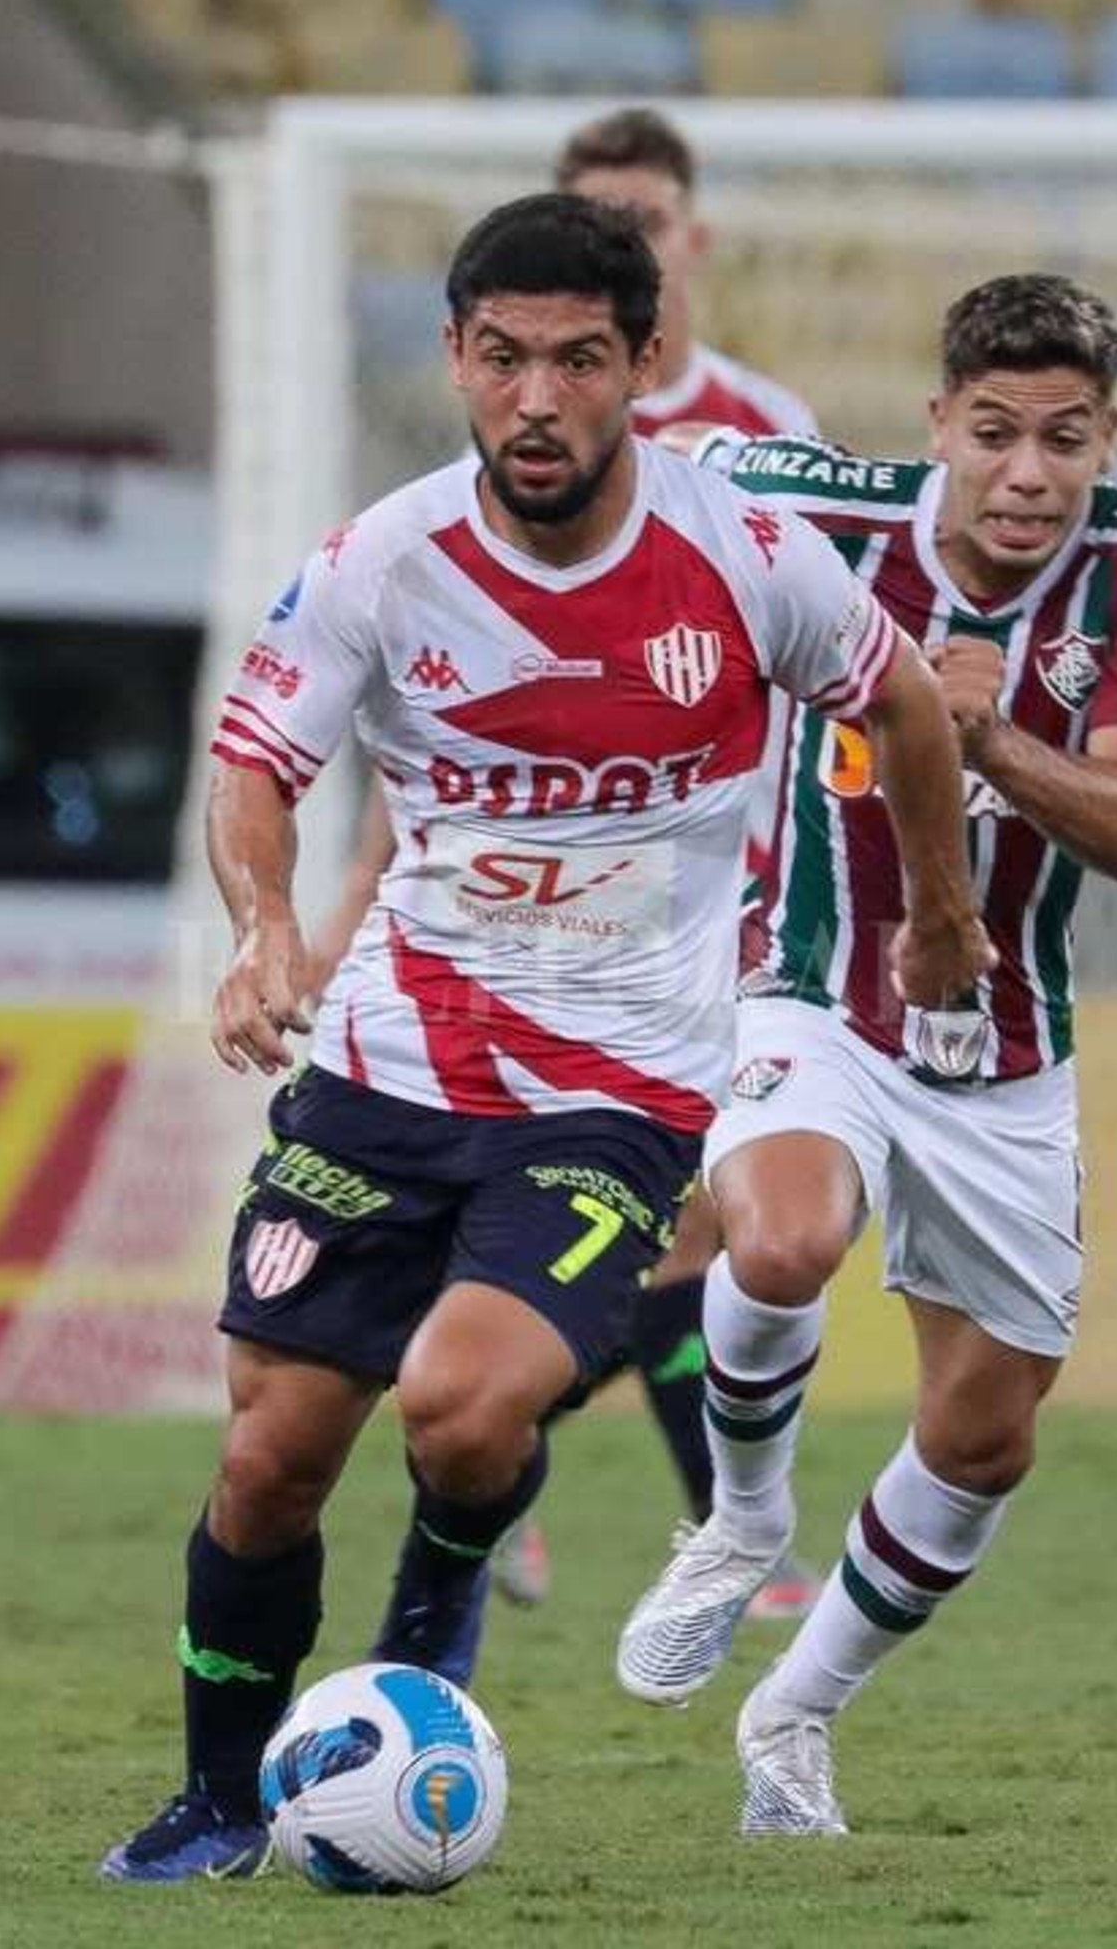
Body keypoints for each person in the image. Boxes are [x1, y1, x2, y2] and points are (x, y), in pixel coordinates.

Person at [99, 190, 991, 1882]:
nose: (534, 398)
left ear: (643, 365)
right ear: (452, 356)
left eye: (578, 360)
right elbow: (256, 767)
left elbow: (898, 703)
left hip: (616, 1091)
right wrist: (266, 930)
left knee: (457, 1406)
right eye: (501, 357)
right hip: (384, 1067)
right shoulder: (381, 561)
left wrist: (935, 913)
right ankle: (217, 1798)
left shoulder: (744, 554)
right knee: (270, 1456)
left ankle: (436, 1596)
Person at [615, 273, 1117, 1838]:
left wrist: (988, 735)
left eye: (1062, 439)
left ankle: (794, 1712)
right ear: (937, 423)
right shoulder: (809, 511)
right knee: (782, 1237)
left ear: (1106, 439)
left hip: (1006, 1043)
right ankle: (741, 1521)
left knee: (983, 1435)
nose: (1026, 473)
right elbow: (636, 475)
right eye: (994, 432)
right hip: (811, 983)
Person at [350, 105, 826, 1636]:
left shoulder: (765, 430)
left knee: (698, 1227)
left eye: (644, 220)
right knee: (642, 1224)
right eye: (595, 214)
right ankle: (543, 1478)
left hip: (721, 910)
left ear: (689, 245)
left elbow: (842, 667)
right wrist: (351, 903)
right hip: (517, 927)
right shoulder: (513, 444)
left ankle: (521, 1471)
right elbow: (450, 715)